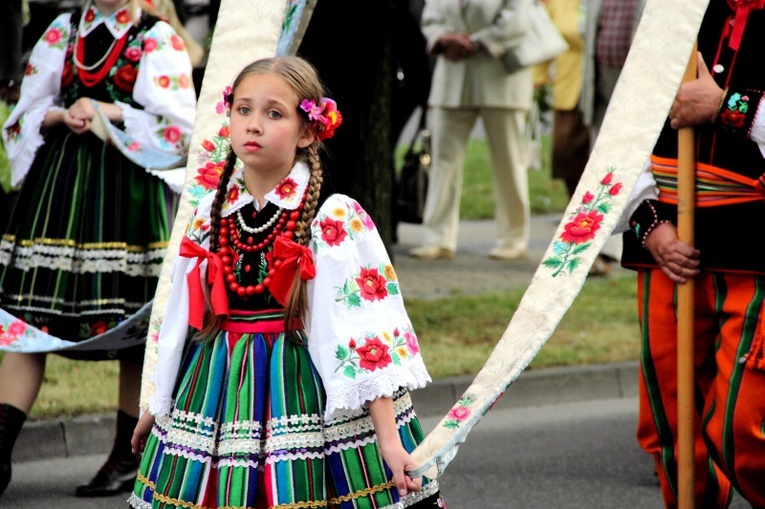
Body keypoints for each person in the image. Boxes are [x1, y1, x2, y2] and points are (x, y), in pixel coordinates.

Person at [128, 56, 446, 509]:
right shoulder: (210, 216)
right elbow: (181, 317)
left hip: (303, 388)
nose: (253, 125)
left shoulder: (331, 220)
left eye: (273, 113)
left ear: (308, 131)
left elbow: (363, 334)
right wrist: (155, 404)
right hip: (214, 386)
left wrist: (389, 439)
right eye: (243, 109)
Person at [0, 0, 196, 498]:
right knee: (28, 323)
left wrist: (108, 110)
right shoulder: (63, 30)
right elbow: (24, 110)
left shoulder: (156, 36)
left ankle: (127, 457)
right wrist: (62, 113)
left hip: (128, 193)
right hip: (60, 192)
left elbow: (180, 130)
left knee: (133, 325)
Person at [616, 1, 765, 506]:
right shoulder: (675, 11)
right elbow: (624, 124)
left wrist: (727, 106)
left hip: (757, 250)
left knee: (743, 430)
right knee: (669, 431)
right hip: (665, 243)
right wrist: (647, 222)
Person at [409, 0, 534, 260]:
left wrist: (477, 41)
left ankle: (513, 238)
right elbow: (431, 18)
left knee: (508, 161)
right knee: (443, 161)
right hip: (452, 76)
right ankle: (438, 238)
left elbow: (517, 19)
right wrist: (444, 39)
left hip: (502, 76)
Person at [580, 0, 645, 274]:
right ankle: (594, 247)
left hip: (639, 85)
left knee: (631, 167)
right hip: (602, 84)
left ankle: (610, 249)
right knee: (602, 169)